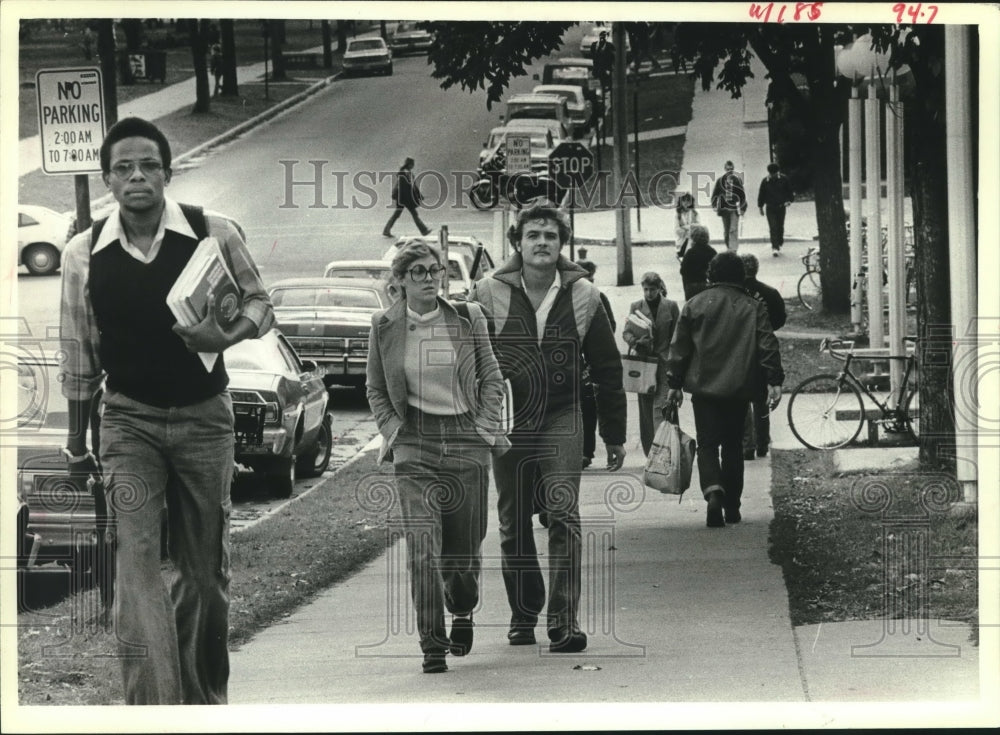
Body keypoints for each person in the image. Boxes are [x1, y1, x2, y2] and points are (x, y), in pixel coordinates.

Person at [59, 117, 275, 704]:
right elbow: (79, 352)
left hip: (206, 418)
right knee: (136, 570)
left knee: (205, 574)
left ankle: (204, 701)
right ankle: (154, 709)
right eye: (123, 168)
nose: (136, 177)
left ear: (167, 173)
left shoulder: (214, 231)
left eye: (148, 165)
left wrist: (223, 339)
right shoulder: (83, 253)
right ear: (107, 180)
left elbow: (261, 305)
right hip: (129, 421)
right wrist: (77, 443)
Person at [470, 202, 626, 653]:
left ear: (563, 244)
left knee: (564, 513)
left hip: (563, 414)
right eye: (534, 234)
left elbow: (607, 367)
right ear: (517, 242)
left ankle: (564, 620)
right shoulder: (486, 293)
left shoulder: (585, 295)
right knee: (513, 519)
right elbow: (467, 361)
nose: (543, 242)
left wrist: (613, 433)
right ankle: (523, 613)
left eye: (551, 236)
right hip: (509, 419)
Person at [366, 239, 510, 674]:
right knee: (422, 548)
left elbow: (491, 377)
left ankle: (462, 608)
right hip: (415, 443)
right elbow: (375, 388)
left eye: (435, 271)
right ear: (400, 281)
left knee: (462, 554)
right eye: (419, 273)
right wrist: (395, 432)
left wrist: (484, 427)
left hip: (465, 437)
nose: (430, 279)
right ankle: (431, 643)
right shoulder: (383, 324)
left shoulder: (468, 317)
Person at [664, 251, 784, 528]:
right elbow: (767, 344)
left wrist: (674, 383)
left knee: (707, 443)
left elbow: (679, 348)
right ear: (741, 276)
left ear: (712, 274)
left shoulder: (694, 305)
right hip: (739, 387)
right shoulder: (753, 307)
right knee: (732, 445)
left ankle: (713, 492)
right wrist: (774, 380)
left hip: (704, 388)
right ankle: (732, 505)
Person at [621, 273, 679, 456]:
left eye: (652, 289)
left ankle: (666, 448)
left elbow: (678, 335)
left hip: (664, 364)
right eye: (645, 289)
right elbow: (626, 332)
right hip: (645, 363)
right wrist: (636, 343)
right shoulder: (636, 306)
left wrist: (675, 360)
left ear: (659, 288)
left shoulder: (670, 306)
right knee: (646, 409)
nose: (648, 293)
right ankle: (650, 451)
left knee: (664, 405)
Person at [739, 253, 786, 461]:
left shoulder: (736, 294)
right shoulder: (770, 293)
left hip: (740, 347)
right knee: (760, 397)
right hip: (762, 346)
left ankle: (746, 443)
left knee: (741, 398)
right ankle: (762, 442)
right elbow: (779, 318)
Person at [575, 254, 616, 469]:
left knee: (589, 407)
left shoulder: (599, 297)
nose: (588, 282)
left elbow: (611, 326)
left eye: (591, 278)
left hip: (590, 362)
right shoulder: (570, 297)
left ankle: (586, 452)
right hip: (575, 360)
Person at [383, 157, 431, 237]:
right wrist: (419, 196)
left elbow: (408, 186)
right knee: (413, 214)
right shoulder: (407, 173)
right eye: (412, 164)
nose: (413, 166)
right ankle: (424, 230)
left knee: (397, 214)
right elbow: (412, 187)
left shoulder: (404, 172)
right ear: (409, 165)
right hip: (405, 198)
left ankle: (386, 230)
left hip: (401, 198)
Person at [757, 162, 795, 256]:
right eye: (771, 174)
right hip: (770, 207)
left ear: (777, 172)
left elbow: (790, 191)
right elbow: (761, 194)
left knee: (780, 226)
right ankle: (775, 247)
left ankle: (780, 241)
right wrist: (760, 206)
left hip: (781, 206)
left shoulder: (784, 179)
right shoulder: (765, 181)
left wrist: (789, 201)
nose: (772, 175)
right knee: (773, 227)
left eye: (774, 173)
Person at [710, 160, 748, 251]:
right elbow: (715, 194)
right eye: (727, 169)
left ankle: (733, 249)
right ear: (725, 169)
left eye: (731, 169)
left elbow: (742, 195)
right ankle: (728, 246)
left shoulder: (737, 181)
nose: (729, 171)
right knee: (727, 231)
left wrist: (743, 208)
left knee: (733, 230)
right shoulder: (720, 181)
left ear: (733, 170)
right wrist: (714, 205)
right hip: (724, 209)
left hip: (734, 209)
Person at [679, 223, 717, 301]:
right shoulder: (712, 252)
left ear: (693, 238)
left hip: (692, 287)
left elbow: (683, 271)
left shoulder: (690, 252)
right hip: (707, 285)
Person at [674, 191, 699, 261]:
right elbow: (677, 229)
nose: (686, 203)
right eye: (684, 201)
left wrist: (686, 227)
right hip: (682, 240)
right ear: (681, 203)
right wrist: (689, 228)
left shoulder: (695, 213)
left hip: (692, 238)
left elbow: (698, 226)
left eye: (688, 201)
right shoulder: (678, 215)